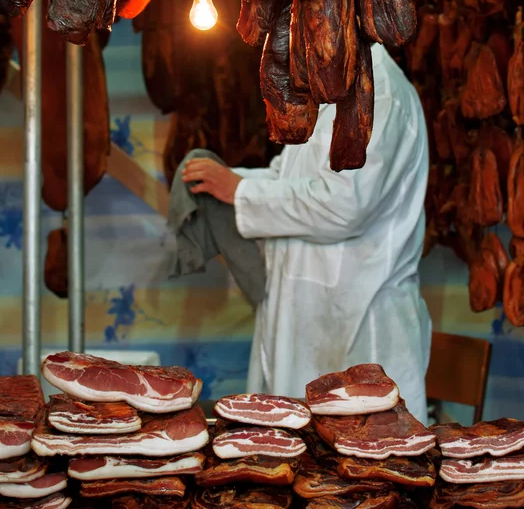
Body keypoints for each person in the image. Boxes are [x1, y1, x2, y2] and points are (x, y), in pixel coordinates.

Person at [181, 43, 431, 424]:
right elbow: (290, 179)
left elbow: (344, 206)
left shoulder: (380, 92)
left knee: (367, 469)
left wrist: (238, 190)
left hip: (360, 325)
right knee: (301, 467)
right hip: (312, 318)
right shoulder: (332, 89)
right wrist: (229, 184)